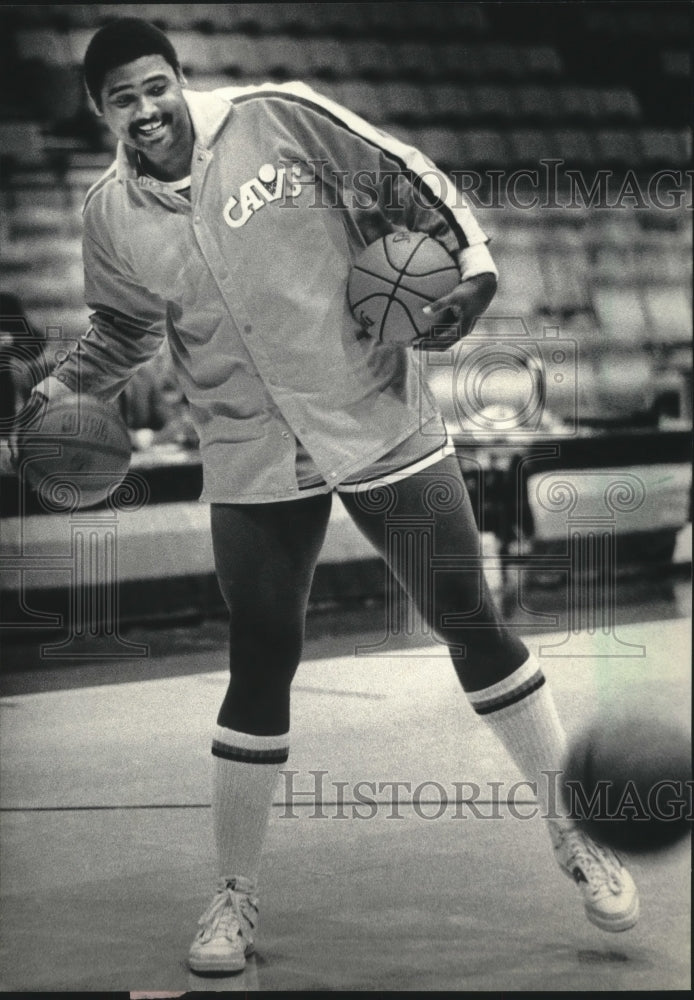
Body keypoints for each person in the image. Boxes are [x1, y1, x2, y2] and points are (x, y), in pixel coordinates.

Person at [32, 19, 639, 975]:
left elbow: (406, 176)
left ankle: (576, 835)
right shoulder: (109, 211)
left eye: (154, 86)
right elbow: (120, 331)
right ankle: (233, 894)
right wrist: (60, 391)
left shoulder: (278, 118)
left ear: (178, 78)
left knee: (469, 619)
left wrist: (474, 277)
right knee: (260, 651)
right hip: (250, 447)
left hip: (373, 415)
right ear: (98, 109)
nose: (143, 109)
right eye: (120, 98)